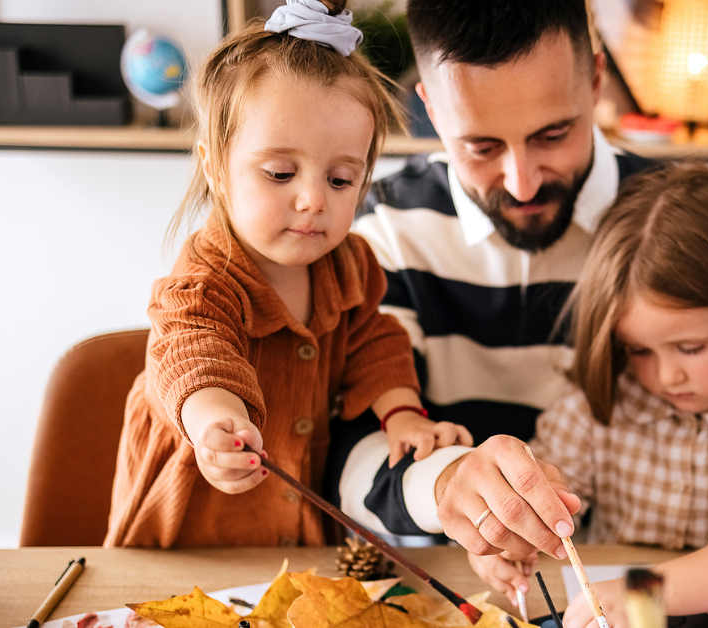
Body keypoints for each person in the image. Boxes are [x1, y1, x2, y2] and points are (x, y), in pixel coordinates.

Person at [104, 0, 470, 548]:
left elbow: (375, 342)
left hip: (293, 527)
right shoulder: (203, 283)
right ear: (216, 168)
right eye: (280, 173)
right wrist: (215, 424)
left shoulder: (350, 266)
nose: (312, 200)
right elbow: (190, 352)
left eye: (342, 180)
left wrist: (403, 416)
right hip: (185, 535)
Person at [330, 0, 652, 549]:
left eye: (553, 136)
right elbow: (352, 453)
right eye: (481, 147)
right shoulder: (385, 229)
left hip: (641, 570)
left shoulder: (677, 216)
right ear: (429, 106)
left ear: (596, 81)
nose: (523, 184)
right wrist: (447, 484)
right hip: (451, 577)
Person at [466, 161, 708, 628]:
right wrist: (509, 539)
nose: (665, 376)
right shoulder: (596, 405)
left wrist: (644, 595)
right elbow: (544, 503)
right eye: (638, 350)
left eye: (691, 347)